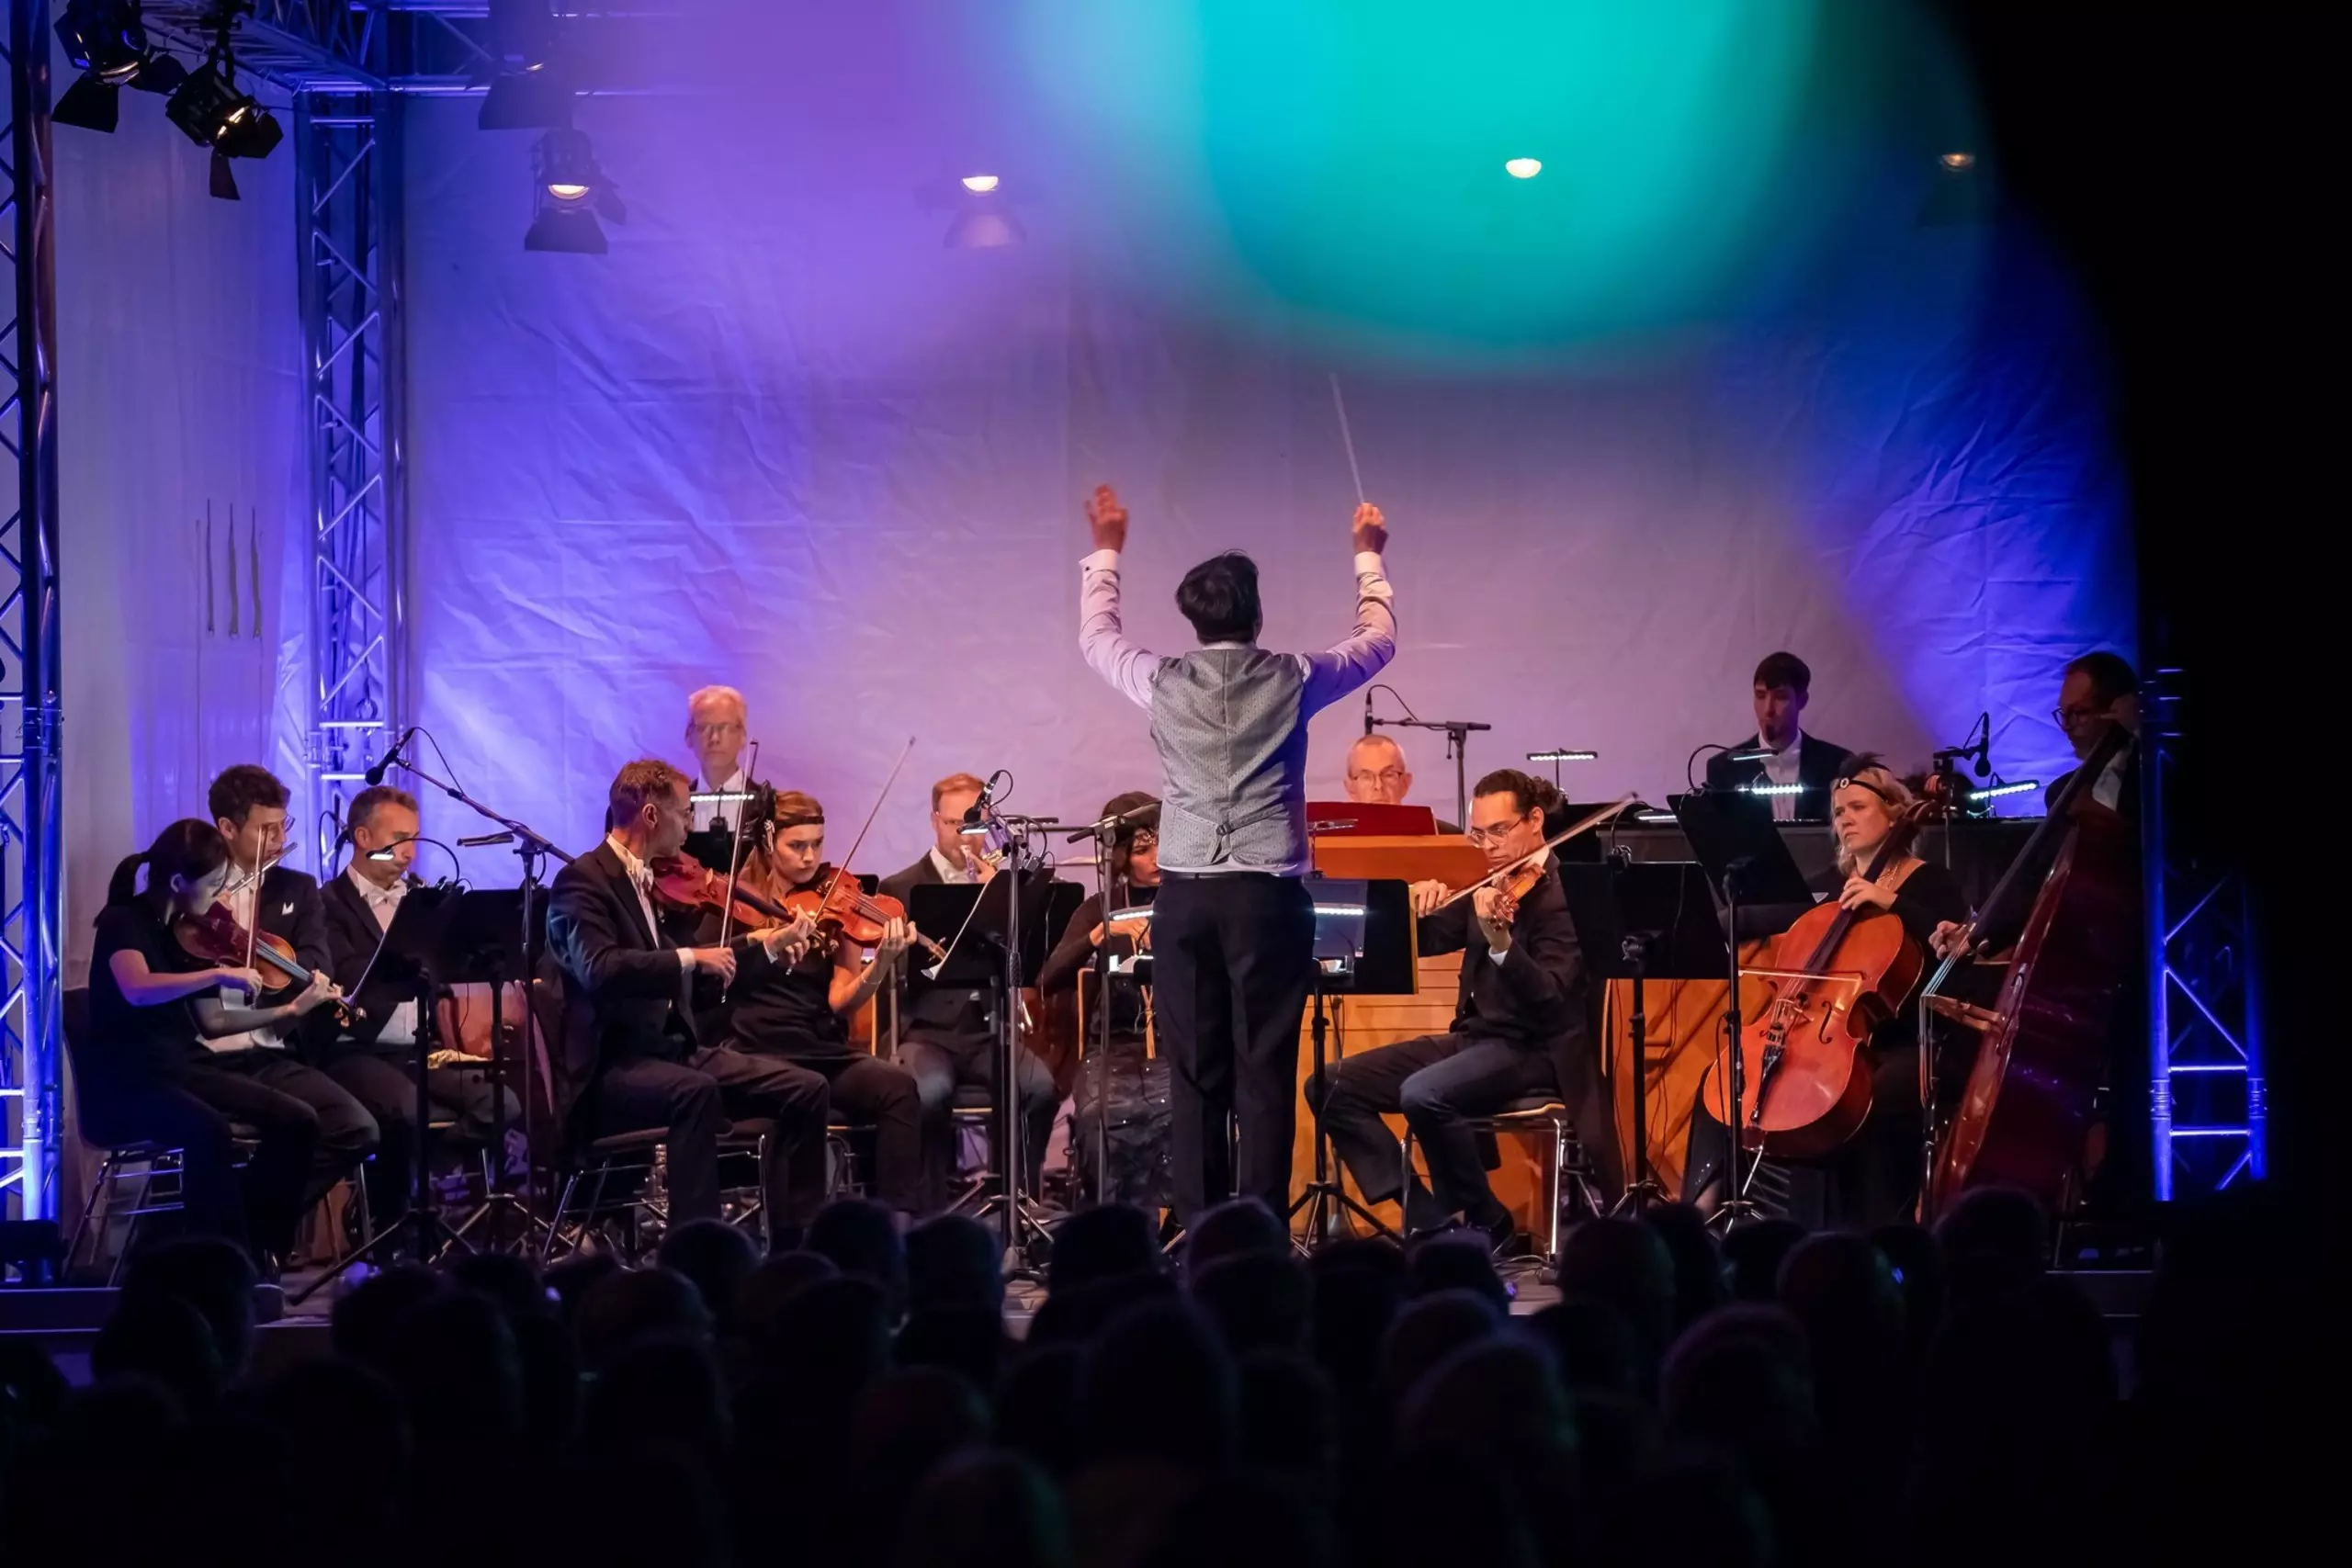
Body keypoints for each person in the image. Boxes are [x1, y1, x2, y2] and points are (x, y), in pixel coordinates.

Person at [1079, 483, 1396, 1224]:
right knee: (1265, 1072)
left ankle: (1201, 1233)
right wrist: (1368, 558)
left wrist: (1107, 550)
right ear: (1257, 618)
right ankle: (1259, 1230)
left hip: (1186, 897)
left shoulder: (1162, 680)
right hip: (1265, 898)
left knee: (1194, 1073)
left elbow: (1097, 638)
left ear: (1193, 621)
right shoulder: (1293, 676)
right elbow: (1377, 640)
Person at [1306, 770, 1615, 1251]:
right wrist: (1411, 906)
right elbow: (1429, 939)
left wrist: (1501, 944)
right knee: (1329, 1085)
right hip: (1474, 1040)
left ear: (1535, 820)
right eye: (1479, 834)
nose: (1488, 847)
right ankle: (1429, 1221)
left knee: (1423, 1093)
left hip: (1535, 1049)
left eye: (1499, 831)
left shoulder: (1563, 896)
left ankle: (1487, 1220)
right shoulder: (1491, 886)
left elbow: (1552, 998)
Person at [545, 760, 830, 1238]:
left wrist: (763, 947)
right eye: (684, 813)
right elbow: (600, 968)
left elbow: (694, 978)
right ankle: (698, 1250)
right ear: (651, 815)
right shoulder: (583, 881)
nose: (690, 826)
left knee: (807, 1089)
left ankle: (798, 1248)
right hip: (612, 1066)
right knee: (694, 1093)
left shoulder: (647, 879)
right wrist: (690, 956)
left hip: (671, 1052)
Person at [1686, 760, 1969, 1229]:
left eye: (1858, 807)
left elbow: (1955, 951)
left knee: (1868, 1093)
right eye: (1838, 812)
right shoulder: (1831, 890)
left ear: (1895, 815)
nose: (1845, 819)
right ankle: (1702, 1213)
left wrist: (1891, 902)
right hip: (1829, 1034)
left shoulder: (1929, 881)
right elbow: (1771, 915)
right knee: (1724, 1077)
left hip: (1906, 1040)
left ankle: (1872, 1230)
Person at [81, 819, 370, 1269]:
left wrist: (290, 1010)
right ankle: (213, 1259)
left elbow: (213, 1022)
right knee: (210, 1130)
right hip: (131, 1080)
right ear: (178, 883)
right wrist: (217, 973)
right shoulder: (125, 921)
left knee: (298, 1119)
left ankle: (253, 1245)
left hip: (183, 1067)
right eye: (215, 884)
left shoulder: (181, 932)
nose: (221, 896)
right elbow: (138, 988)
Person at [711, 790, 930, 1219]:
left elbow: (840, 1000)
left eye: (817, 844)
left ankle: (893, 1225)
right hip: (756, 1048)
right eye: (797, 845)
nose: (811, 857)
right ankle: (801, 1227)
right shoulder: (735, 901)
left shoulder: (835, 903)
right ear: (768, 842)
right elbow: (709, 973)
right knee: (804, 1092)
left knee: (898, 1087)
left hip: (819, 1047)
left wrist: (880, 964)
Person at [315, 784, 521, 1224]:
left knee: (503, 1103)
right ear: (363, 838)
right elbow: (348, 974)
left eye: (415, 838)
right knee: (409, 1110)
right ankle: (391, 1222)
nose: (410, 852)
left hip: (421, 1050)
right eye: (399, 839)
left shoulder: (422, 900)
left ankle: (427, 1183)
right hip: (357, 1049)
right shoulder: (325, 904)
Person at [876, 773, 1060, 1203]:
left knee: (1038, 1088)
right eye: (954, 824)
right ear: (934, 821)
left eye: (976, 826)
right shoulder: (899, 887)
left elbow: (1025, 960)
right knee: (929, 1093)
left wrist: (997, 898)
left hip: (989, 1029)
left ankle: (1016, 1202)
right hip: (926, 1032)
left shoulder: (1006, 887)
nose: (966, 836)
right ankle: (930, 1209)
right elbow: (893, 975)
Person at [1040, 793, 1169, 1213]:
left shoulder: (1187, 901)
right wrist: (1099, 934)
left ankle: (1179, 1226)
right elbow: (1049, 976)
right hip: (1113, 1047)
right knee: (1098, 1116)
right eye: (1142, 850)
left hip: (1178, 1046)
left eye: (1161, 845)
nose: (1156, 858)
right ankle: (1115, 1223)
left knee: (1183, 1113)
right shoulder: (1100, 907)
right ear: (1121, 857)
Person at [206, 764, 334, 1053]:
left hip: (273, 1045)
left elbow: (319, 961)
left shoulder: (298, 888)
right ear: (228, 828)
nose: (282, 839)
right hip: (207, 1050)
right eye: (267, 830)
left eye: (283, 825)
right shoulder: (198, 890)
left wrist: (265, 964)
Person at [1702, 652, 1855, 823]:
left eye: (1781, 697)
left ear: (1802, 701)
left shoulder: (1837, 764)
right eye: (1761, 695)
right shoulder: (1724, 768)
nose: (1768, 709)